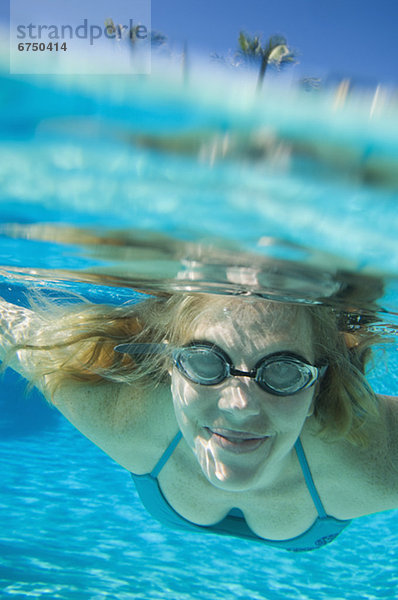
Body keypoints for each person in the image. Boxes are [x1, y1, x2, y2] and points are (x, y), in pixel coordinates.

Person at [1, 291, 397, 552]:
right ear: (170, 367)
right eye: (205, 363)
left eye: (283, 372)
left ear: (318, 386)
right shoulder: (122, 416)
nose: (240, 406)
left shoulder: (372, 462)